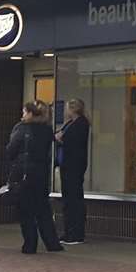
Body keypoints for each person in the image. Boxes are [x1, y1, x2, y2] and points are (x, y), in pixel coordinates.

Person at [7, 101, 63, 254]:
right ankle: (52, 243)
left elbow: (11, 150)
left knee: (25, 210)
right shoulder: (46, 130)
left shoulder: (20, 128)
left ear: (31, 113)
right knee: (43, 209)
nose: (22, 115)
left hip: (24, 174)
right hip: (41, 173)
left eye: (25, 112)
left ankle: (30, 244)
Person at [54, 99, 90, 244]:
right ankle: (68, 231)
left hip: (74, 165)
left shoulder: (81, 124)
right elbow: (58, 135)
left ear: (73, 109)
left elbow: (69, 140)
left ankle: (76, 233)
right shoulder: (70, 123)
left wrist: (61, 138)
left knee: (74, 198)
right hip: (66, 165)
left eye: (67, 108)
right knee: (67, 199)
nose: (65, 112)